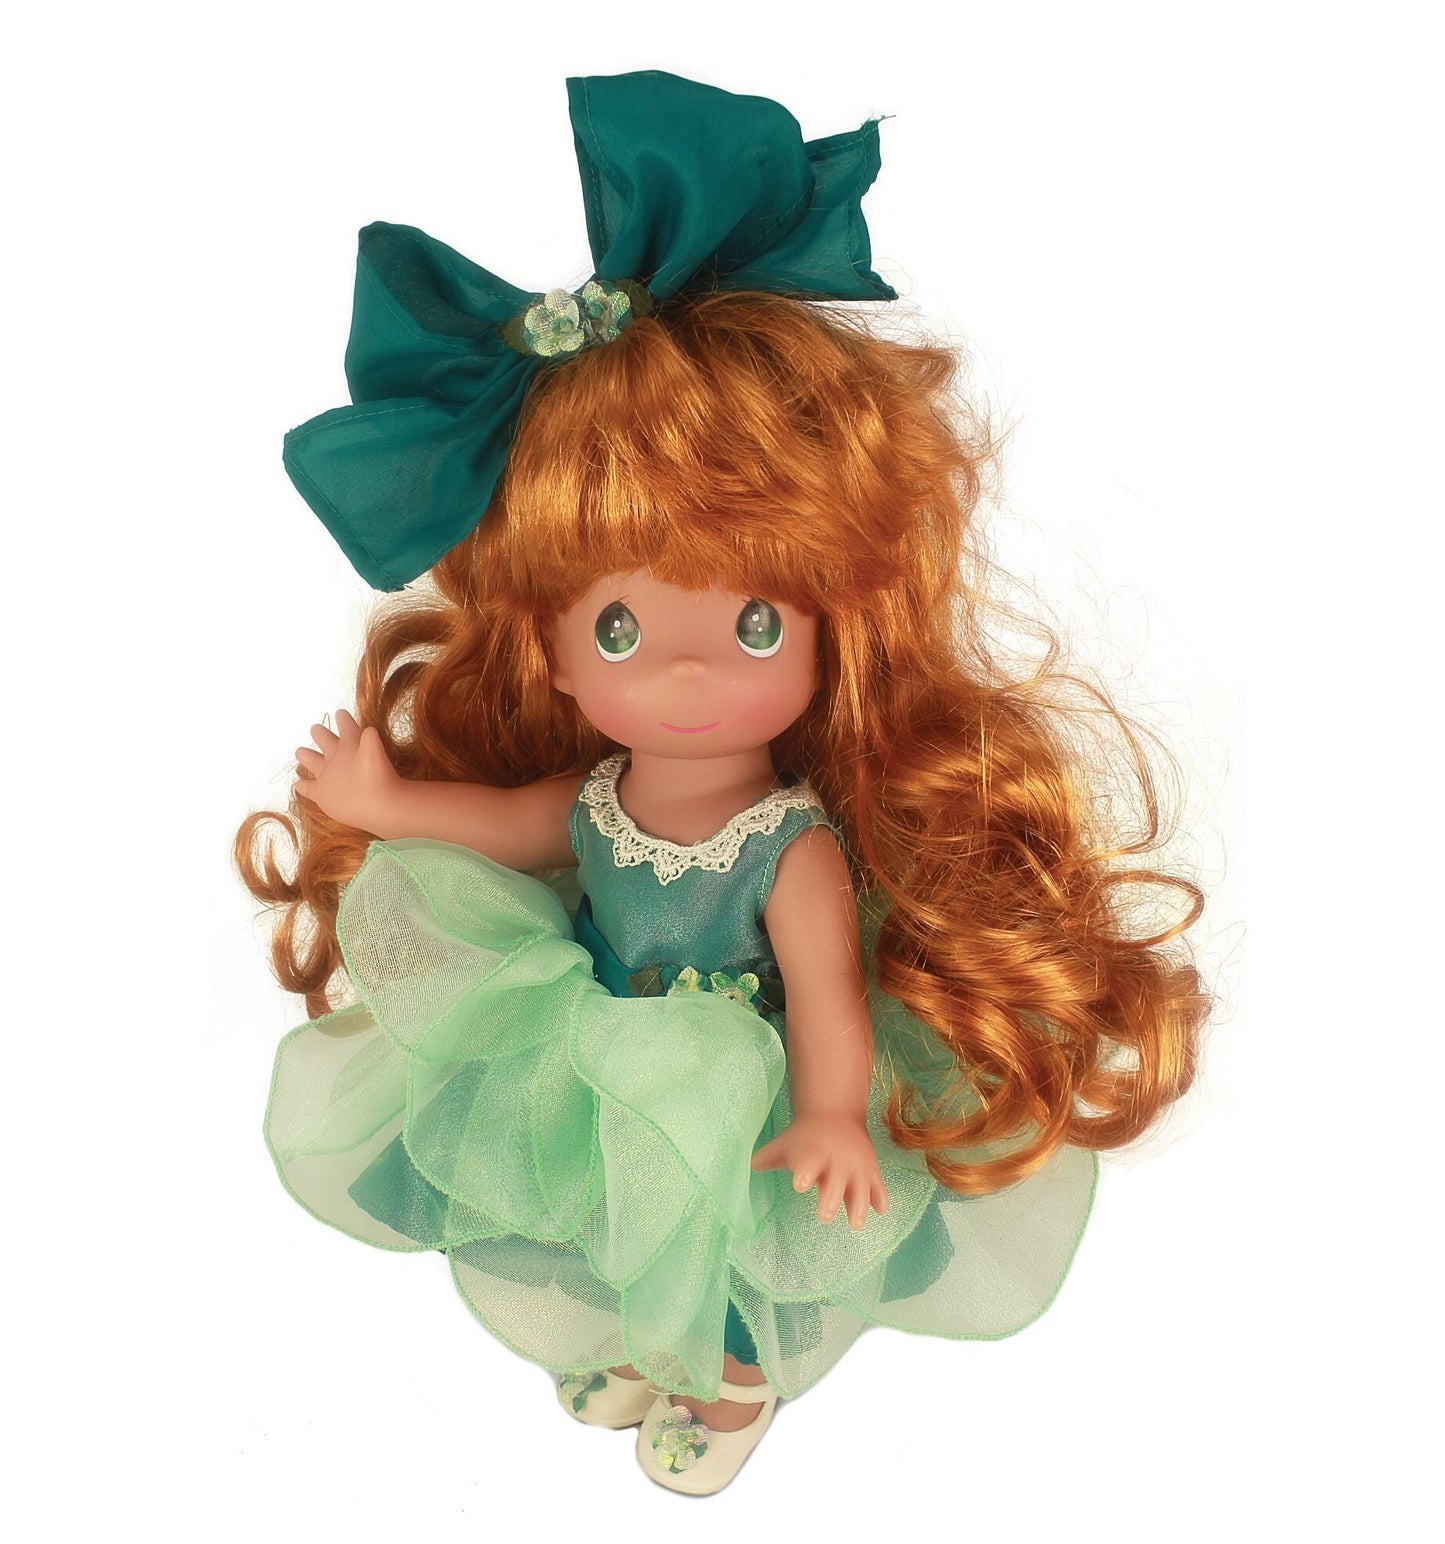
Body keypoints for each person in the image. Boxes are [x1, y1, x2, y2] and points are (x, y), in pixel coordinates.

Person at [239, 70, 1205, 1495]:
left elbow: (824, 994)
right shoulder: (592, 796)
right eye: (623, 631)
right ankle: (648, 1344)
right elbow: (510, 828)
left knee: (742, 1243)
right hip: (593, 1050)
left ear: (824, 636)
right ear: (554, 653)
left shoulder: (788, 846)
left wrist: (830, 1113)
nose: (687, 670)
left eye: (751, 625)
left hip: (746, 1079)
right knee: (617, 1216)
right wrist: (385, 806)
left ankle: (734, 1379)